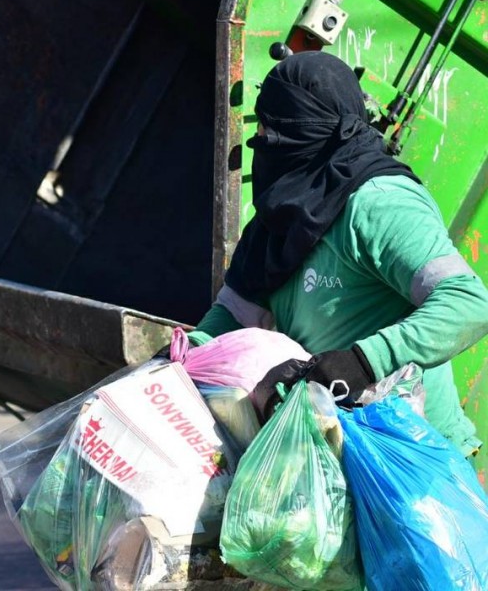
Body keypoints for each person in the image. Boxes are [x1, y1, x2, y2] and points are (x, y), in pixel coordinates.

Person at [186, 51, 488, 458]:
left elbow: (468, 303)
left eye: (283, 132)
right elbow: (231, 318)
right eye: (266, 129)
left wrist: (364, 362)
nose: (268, 145)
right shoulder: (278, 220)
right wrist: (181, 361)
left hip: (418, 461)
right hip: (338, 462)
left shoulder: (379, 205)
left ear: (326, 132)